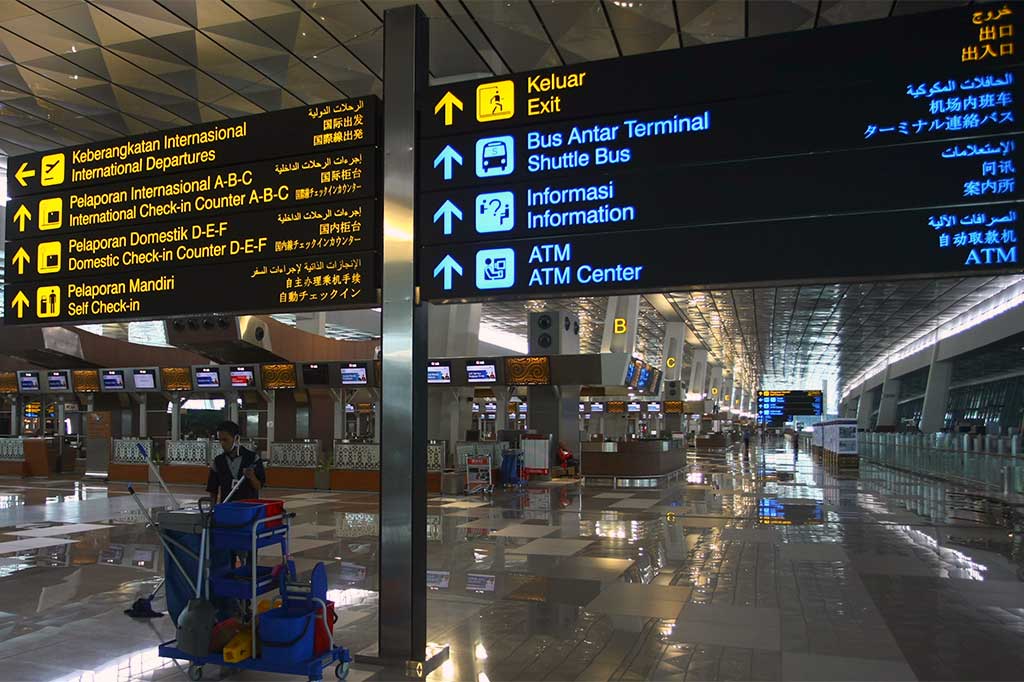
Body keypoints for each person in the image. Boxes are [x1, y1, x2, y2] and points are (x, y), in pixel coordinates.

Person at [206, 420, 265, 503]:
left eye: (225, 440)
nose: (222, 444)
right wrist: (212, 510)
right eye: (220, 440)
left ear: (236, 438)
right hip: (227, 508)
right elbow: (213, 489)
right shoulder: (218, 461)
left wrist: (252, 476)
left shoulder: (252, 458)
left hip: (248, 509)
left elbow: (258, 486)